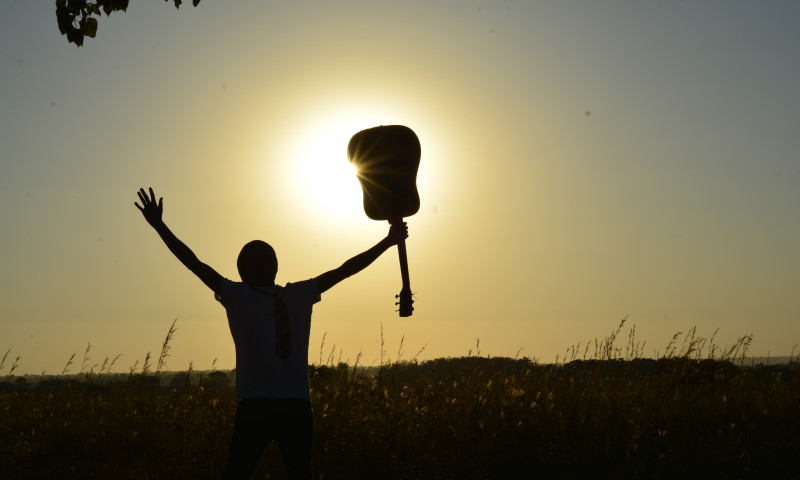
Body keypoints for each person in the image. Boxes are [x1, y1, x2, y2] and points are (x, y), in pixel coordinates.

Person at [134, 187, 408, 480]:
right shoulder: (241, 295)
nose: (265, 265)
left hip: (286, 405)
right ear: (245, 270)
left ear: (275, 265)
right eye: (258, 261)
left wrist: (387, 242)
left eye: (267, 259)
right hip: (267, 405)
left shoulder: (293, 294)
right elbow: (193, 263)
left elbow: (346, 269)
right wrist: (160, 226)